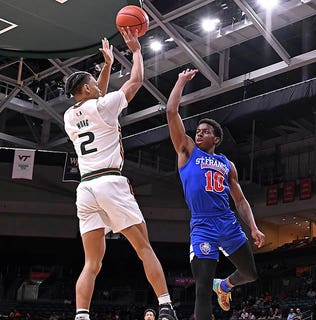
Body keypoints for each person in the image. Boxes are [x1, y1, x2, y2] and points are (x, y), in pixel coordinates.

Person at [63, 29, 176, 320]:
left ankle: (81, 315)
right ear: (87, 89)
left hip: (85, 189)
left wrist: (108, 66)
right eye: (94, 83)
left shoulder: (69, 116)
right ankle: (164, 306)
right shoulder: (103, 105)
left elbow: (95, 100)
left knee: (92, 263)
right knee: (143, 247)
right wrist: (136, 51)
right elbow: (136, 81)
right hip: (109, 182)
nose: (98, 86)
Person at [166, 69, 266, 318]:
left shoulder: (227, 164)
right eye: (198, 130)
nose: (199, 133)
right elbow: (171, 112)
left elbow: (240, 200)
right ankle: (213, 289)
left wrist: (253, 227)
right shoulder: (187, 151)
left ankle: (224, 286)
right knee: (201, 288)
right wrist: (180, 82)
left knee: (250, 274)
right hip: (202, 225)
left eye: (205, 131)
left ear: (217, 138)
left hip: (228, 222)